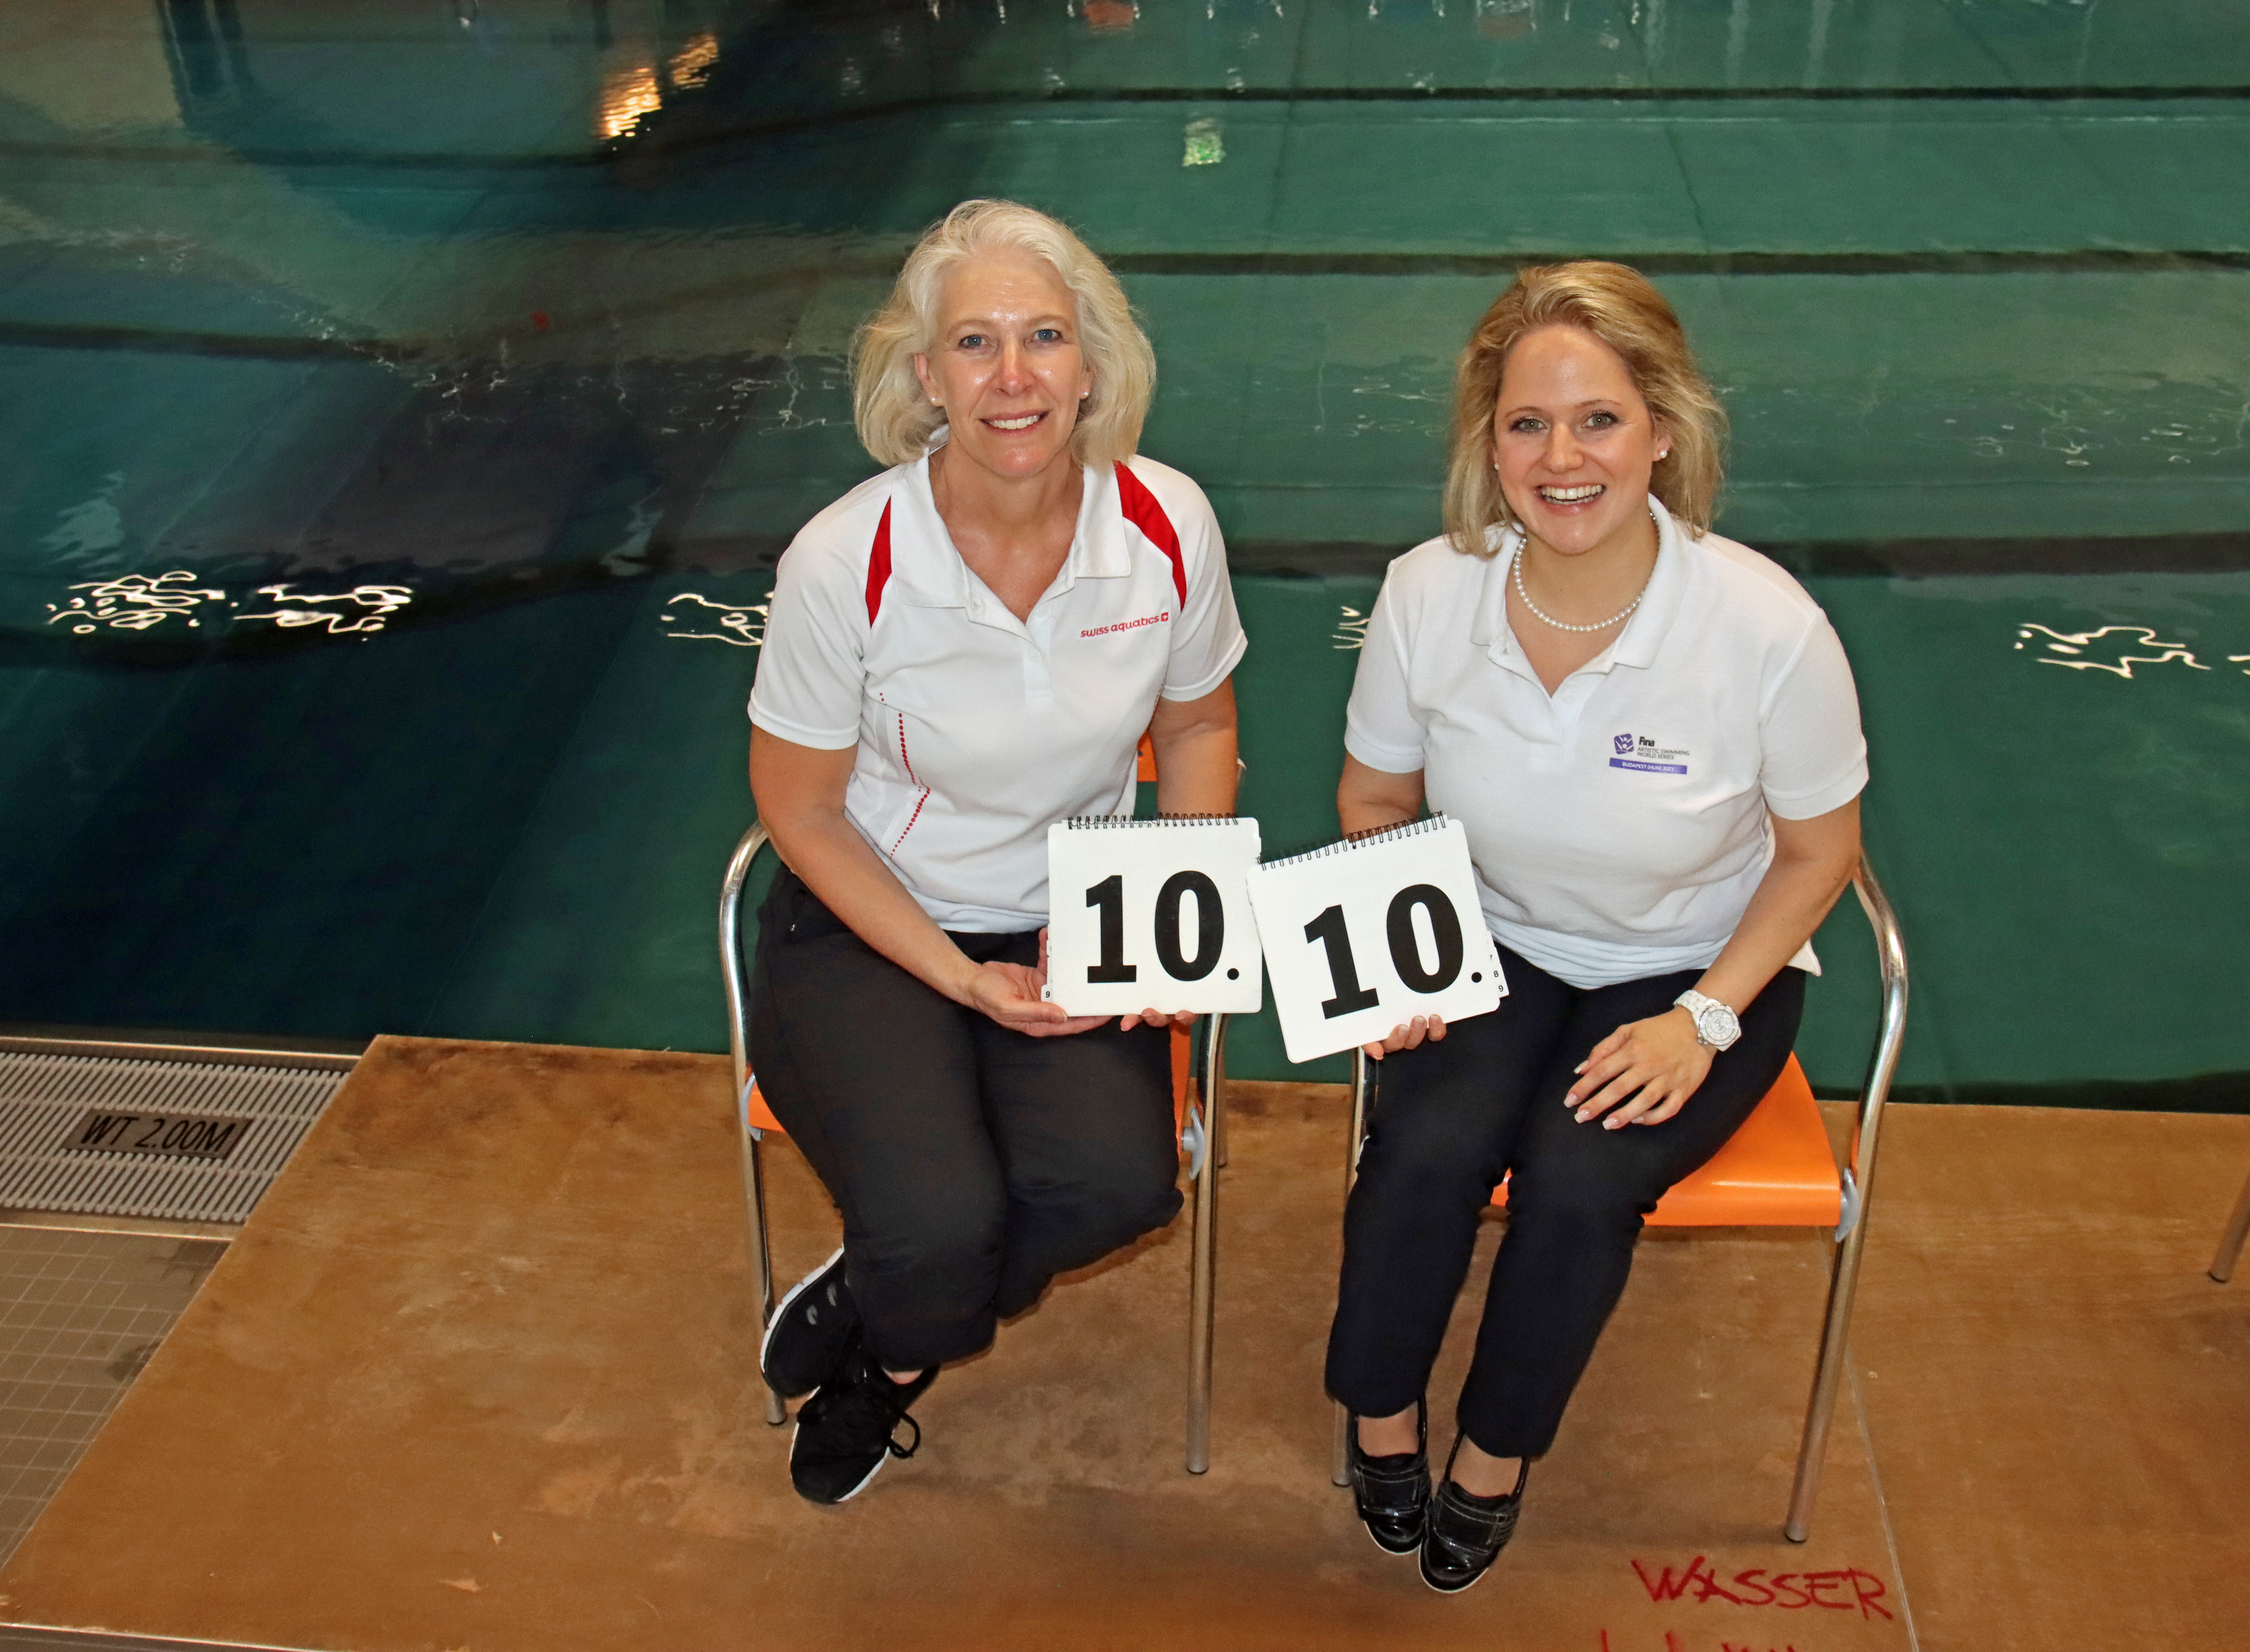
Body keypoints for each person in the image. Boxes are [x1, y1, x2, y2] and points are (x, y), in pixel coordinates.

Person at [1323, 263, 1867, 1591]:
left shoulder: (1763, 627)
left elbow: (1819, 854)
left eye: (1599, 420)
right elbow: (1376, 797)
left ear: (1663, 430)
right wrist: (1400, 950)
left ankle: (1496, 1447)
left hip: (1693, 963)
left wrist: (1704, 1019)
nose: (1560, 458)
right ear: (1486, 440)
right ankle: (1380, 1406)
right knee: (1428, 1140)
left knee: (1578, 1176)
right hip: (1487, 939)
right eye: (1525, 424)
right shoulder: (1428, 592)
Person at [743, 199, 1244, 1505]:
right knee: (939, 1221)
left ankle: (883, 1341)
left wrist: (1166, 915)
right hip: (868, 920)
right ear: (925, 376)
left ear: (1092, 365)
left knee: (1122, 1187)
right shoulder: (845, 560)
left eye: (1042, 338)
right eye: (974, 342)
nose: (1012, 377)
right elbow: (798, 809)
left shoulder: (1166, 523)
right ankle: (900, 1304)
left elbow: (1197, 723)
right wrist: (957, 975)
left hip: (1074, 918)